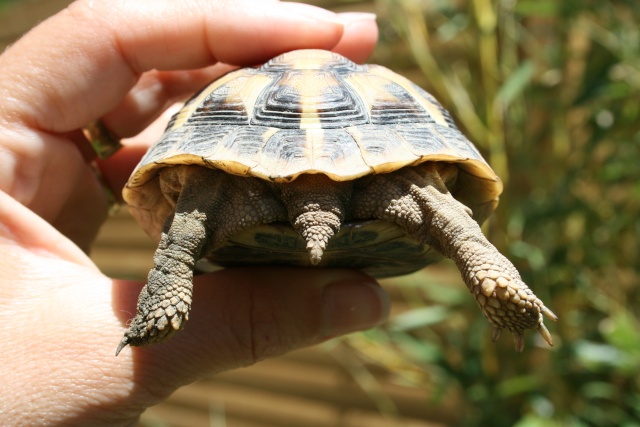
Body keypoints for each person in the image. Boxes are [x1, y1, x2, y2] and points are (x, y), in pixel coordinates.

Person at [0, 1, 389, 425]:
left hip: (298, 174)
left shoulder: (221, 190)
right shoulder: (218, 186)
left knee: (201, 204)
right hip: (358, 174)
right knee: (201, 198)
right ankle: (168, 289)